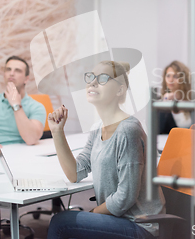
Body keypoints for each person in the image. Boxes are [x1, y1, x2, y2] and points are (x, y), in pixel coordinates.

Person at [47, 61, 164, 239]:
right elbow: (75, 173)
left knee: (61, 223)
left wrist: (92, 213)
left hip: (140, 225)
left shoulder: (127, 130)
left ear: (120, 90)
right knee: (64, 222)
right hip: (120, 219)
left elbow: (125, 197)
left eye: (103, 78)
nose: (93, 82)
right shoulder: (98, 127)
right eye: (91, 77)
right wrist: (57, 132)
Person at [0, 56, 46, 147]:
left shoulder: (36, 107)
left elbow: (31, 139)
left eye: (17, 70)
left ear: (26, 79)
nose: (11, 73)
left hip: (24, 155)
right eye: (8, 69)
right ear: (4, 75)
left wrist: (16, 105)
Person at [159, 60, 193, 134]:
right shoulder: (159, 103)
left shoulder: (192, 101)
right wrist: (165, 104)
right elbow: (159, 129)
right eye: (168, 76)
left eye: (175, 76)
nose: (170, 80)